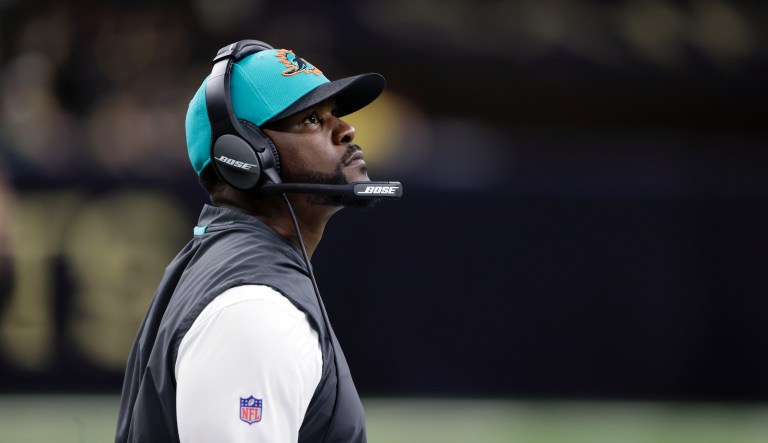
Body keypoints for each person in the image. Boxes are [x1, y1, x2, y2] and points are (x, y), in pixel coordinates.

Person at [116, 40, 400, 443]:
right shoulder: (253, 308)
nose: (346, 129)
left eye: (333, 113)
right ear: (247, 156)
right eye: (311, 120)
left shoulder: (230, 270)